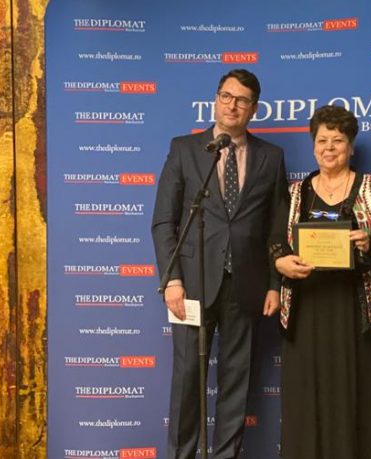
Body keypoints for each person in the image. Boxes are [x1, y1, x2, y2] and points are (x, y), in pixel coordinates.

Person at [151, 69, 287, 459]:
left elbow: (276, 228)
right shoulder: (184, 149)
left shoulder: (271, 157)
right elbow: (164, 221)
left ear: (254, 109)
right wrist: (172, 280)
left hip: (247, 285)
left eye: (242, 100)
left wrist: (274, 284)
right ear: (215, 99)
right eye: (226, 96)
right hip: (191, 284)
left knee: (236, 380)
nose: (232, 105)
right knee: (187, 378)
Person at [269, 105, 371, 458]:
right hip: (307, 311)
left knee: (357, 397)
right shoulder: (295, 192)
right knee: (307, 399)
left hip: (357, 314)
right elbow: (276, 241)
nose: (329, 148)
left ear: (351, 146)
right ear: (313, 144)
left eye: (338, 140)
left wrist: (370, 244)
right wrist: (281, 261)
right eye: (322, 140)